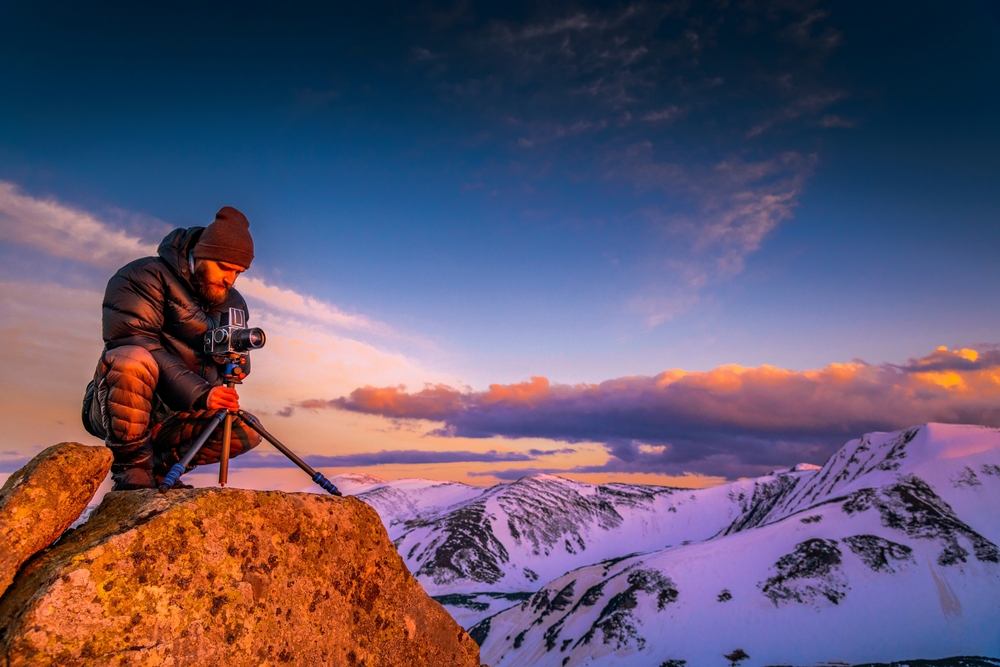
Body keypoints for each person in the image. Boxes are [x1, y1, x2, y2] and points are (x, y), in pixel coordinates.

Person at [81, 206, 262, 490]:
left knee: (245, 429)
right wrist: (203, 393)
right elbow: (133, 340)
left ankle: (160, 470)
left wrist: (235, 365)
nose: (230, 279)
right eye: (224, 268)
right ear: (202, 254)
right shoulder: (142, 276)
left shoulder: (233, 302)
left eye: (238, 272)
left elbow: (233, 361)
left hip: (178, 414)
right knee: (132, 360)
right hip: (119, 404)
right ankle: (133, 473)